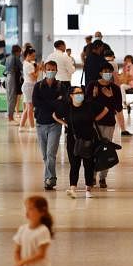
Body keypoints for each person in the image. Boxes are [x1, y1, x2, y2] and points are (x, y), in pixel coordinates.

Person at [56, 86, 107, 199]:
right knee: (74, 164)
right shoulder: (67, 107)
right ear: (71, 95)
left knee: (89, 165)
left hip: (89, 138)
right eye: (77, 93)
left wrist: (95, 119)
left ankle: (88, 189)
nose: (80, 95)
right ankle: (73, 188)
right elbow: (55, 115)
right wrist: (65, 124)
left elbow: (106, 109)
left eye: (81, 92)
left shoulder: (89, 105)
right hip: (73, 140)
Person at [85, 63, 123, 188]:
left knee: (106, 150)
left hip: (109, 123)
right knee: (93, 149)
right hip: (94, 123)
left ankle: (103, 177)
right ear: (100, 73)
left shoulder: (115, 88)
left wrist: (110, 97)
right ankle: (92, 176)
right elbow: (87, 103)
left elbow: (118, 107)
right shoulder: (93, 85)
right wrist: (94, 96)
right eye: (105, 71)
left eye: (109, 71)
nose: (107, 74)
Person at [32, 61, 66, 191]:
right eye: (48, 69)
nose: (51, 71)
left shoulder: (60, 86)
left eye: (53, 69)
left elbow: (63, 103)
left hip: (55, 124)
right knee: (45, 155)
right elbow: (36, 102)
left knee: (51, 153)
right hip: (40, 124)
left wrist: (47, 103)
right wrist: (54, 102)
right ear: (44, 70)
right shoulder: (38, 86)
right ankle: (49, 177)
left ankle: (50, 178)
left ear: (57, 70)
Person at [104, 51, 132, 137]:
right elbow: (115, 77)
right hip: (112, 88)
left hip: (103, 88)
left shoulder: (101, 62)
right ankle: (123, 130)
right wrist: (118, 89)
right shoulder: (113, 63)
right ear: (112, 56)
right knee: (118, 110)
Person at [19, 48, 40, 132]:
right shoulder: (28, 65)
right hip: (29, 86)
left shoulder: (27, 63)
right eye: (33, 56)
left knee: (27, 108)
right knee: (30, 107)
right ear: (28, 55)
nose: (34, 58)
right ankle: (32, 127)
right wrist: (37, 69)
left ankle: (21, 126)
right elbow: (34, 77)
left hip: (28, 86)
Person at [3, 45, 23, 122]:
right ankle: (10, 117)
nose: (20, 54)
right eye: (20, 52)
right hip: (12, 77)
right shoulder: (15, 58)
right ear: (17, 51)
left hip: (7, 77)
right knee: (12, 98)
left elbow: (2, 63)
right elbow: (21, 67)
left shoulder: (8, 57)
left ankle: (9, 115)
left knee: (9, 97)